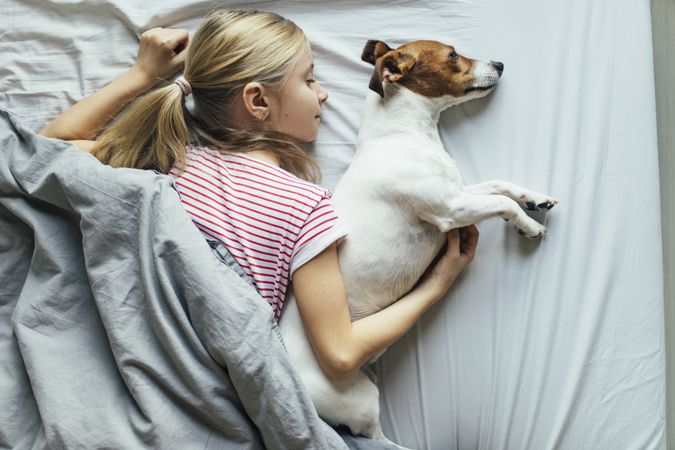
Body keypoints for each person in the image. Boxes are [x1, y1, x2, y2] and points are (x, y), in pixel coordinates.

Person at [39, 9, 479, 382]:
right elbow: (340, 355)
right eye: (310, 80)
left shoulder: (167, 158)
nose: (324, 94)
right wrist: (439, 281)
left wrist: (142, 75)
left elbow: (45, 150)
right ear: (258, 101)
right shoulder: (305, 206)